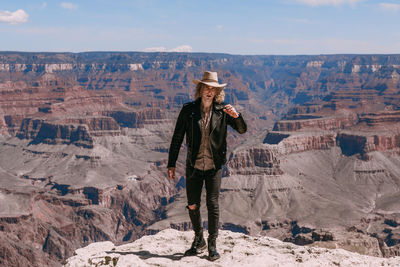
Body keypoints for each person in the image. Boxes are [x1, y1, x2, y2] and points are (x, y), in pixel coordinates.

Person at [167, 71, 247, 261]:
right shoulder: (188, 110)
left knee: (212, 204)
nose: (209, 92)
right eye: (206, 87)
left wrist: (237, 116)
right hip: (194, 165)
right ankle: (198, 240)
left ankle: (212, 244)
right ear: (200, 89)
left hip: (214, 166)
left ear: (217, 92)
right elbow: (177, 137)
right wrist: (171, 163)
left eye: (213, 89)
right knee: (193, 205)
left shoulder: (223, 111)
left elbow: (243, 130)